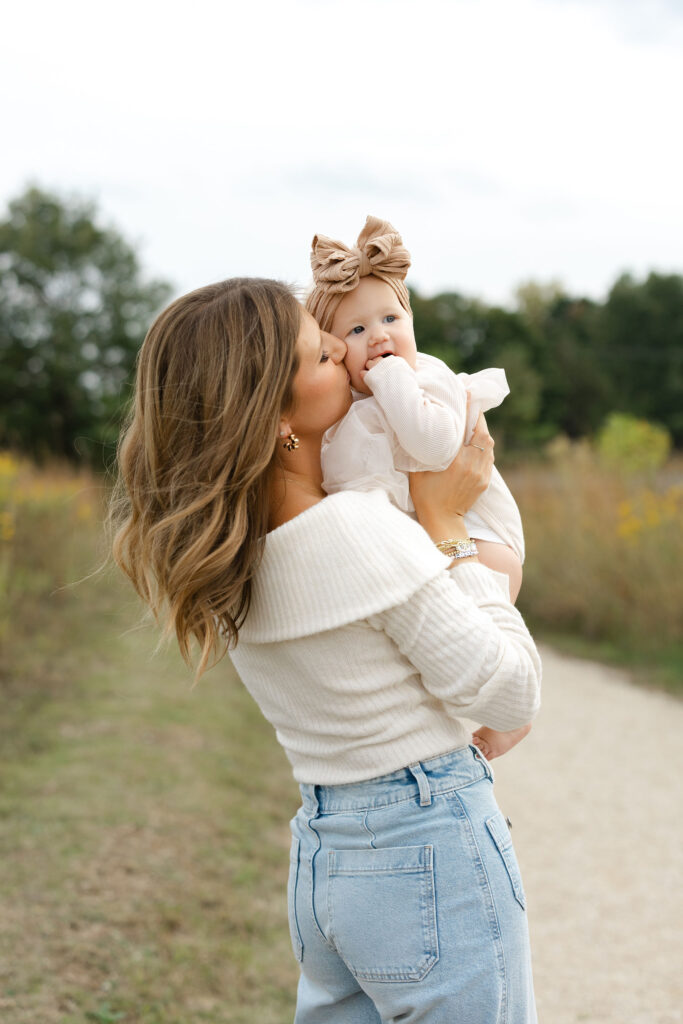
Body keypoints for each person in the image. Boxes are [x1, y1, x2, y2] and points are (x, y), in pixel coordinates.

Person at [111, 276, 541, 1022]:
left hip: (326, 858)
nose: (349, 356)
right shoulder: (360, 531)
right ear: (277, 415)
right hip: (428, 841)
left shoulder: (229, 558)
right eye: (320, 353)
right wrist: (448, 530)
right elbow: (509, 697)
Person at [307, 215, 530, 761]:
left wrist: (389, 377)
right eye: (356, 331)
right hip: (434, 537)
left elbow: (432, 448)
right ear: (333, 350)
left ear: (412, 322)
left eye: (390, 318)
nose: (378, 336)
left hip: (479, 540)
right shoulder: (350, 413)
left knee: (477, 649)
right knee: (432, 656)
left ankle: (511, 720)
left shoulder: (427, 379)